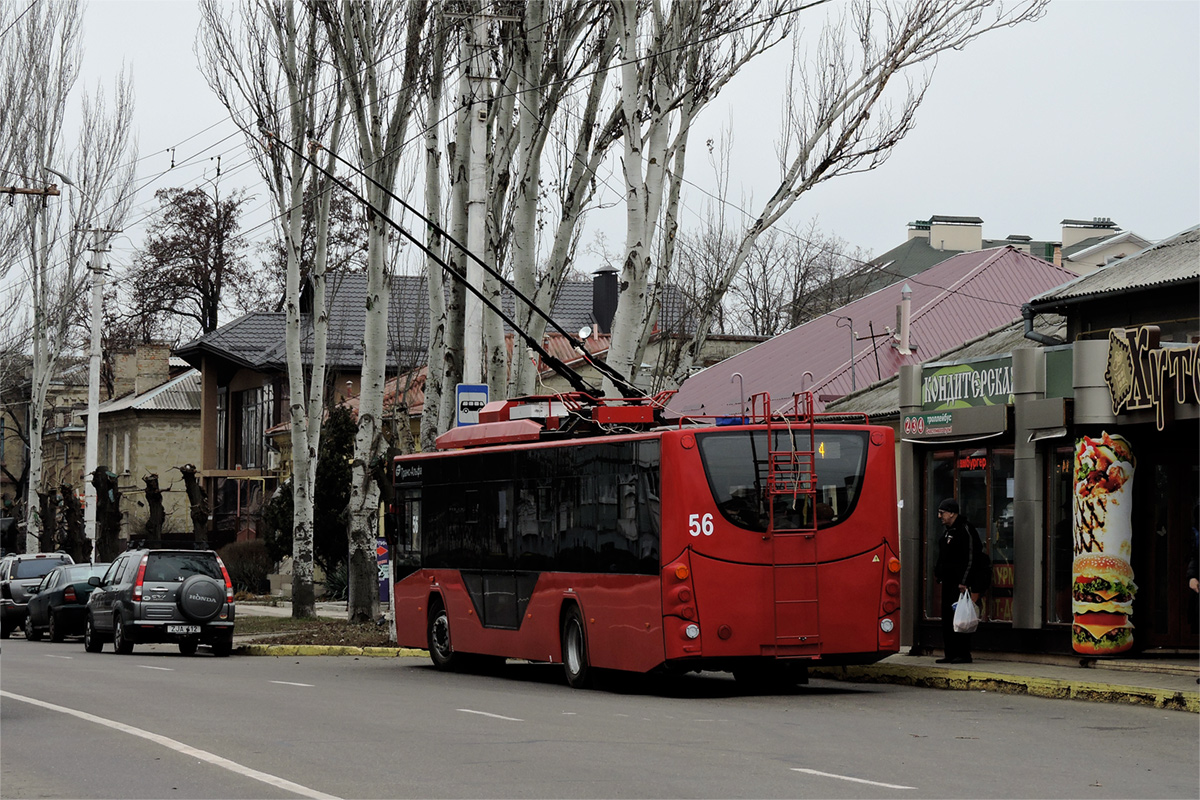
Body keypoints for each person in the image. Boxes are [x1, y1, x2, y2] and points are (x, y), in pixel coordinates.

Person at [933, 497, 987, 664]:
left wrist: (964, 581)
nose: (939, 516)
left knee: (961, 617)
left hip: (961, 584)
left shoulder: (965, 529)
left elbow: (971, 558)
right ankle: (950, 653)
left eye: (942, 513)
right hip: (949, 582)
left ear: (952, 513)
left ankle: (963, 654)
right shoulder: (949, 532)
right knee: (948, 618)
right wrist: (939, 573)